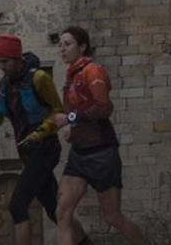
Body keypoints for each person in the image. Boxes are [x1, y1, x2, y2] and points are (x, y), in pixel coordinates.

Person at [0, 34, 90, 245]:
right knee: (54, 210)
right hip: (26, 152)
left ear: (17, 59)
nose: (2, 67)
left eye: (5, 62)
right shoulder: (2, 86)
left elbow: (57, 111)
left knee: (17, 205)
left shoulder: (39, 78)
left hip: (46, 148)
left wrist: (39, 133)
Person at [51, 26, 149, 245]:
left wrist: (70, 119)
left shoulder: (92, 71)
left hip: (102, 153)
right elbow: (80, 109)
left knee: (112, 216)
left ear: (82, 46)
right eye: (60, 45)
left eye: (67, 44)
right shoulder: (71, 75)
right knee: (62, 213)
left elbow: (103, 107)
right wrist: (72, 128)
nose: (62, 49)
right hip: (79, 154)